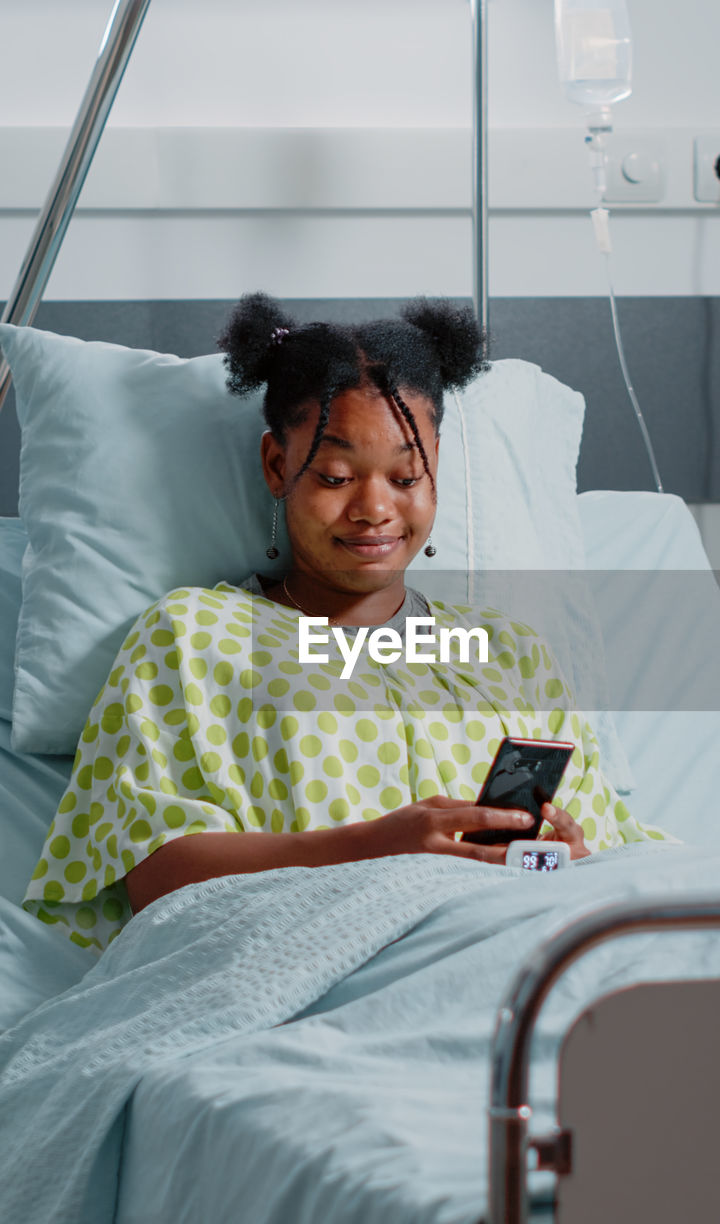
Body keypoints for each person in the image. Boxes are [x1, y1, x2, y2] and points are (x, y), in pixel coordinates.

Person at [22, 294, 668, 952]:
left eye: (406, 475)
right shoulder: (193, 638)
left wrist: (563, 858)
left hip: (509, 961)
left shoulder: (513, 657)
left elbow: (598, 860)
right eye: (335, 477)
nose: (374, 509)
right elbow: (152, 874)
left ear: (435, 468)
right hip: (299, 968)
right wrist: (375, 846)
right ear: (279, 467)